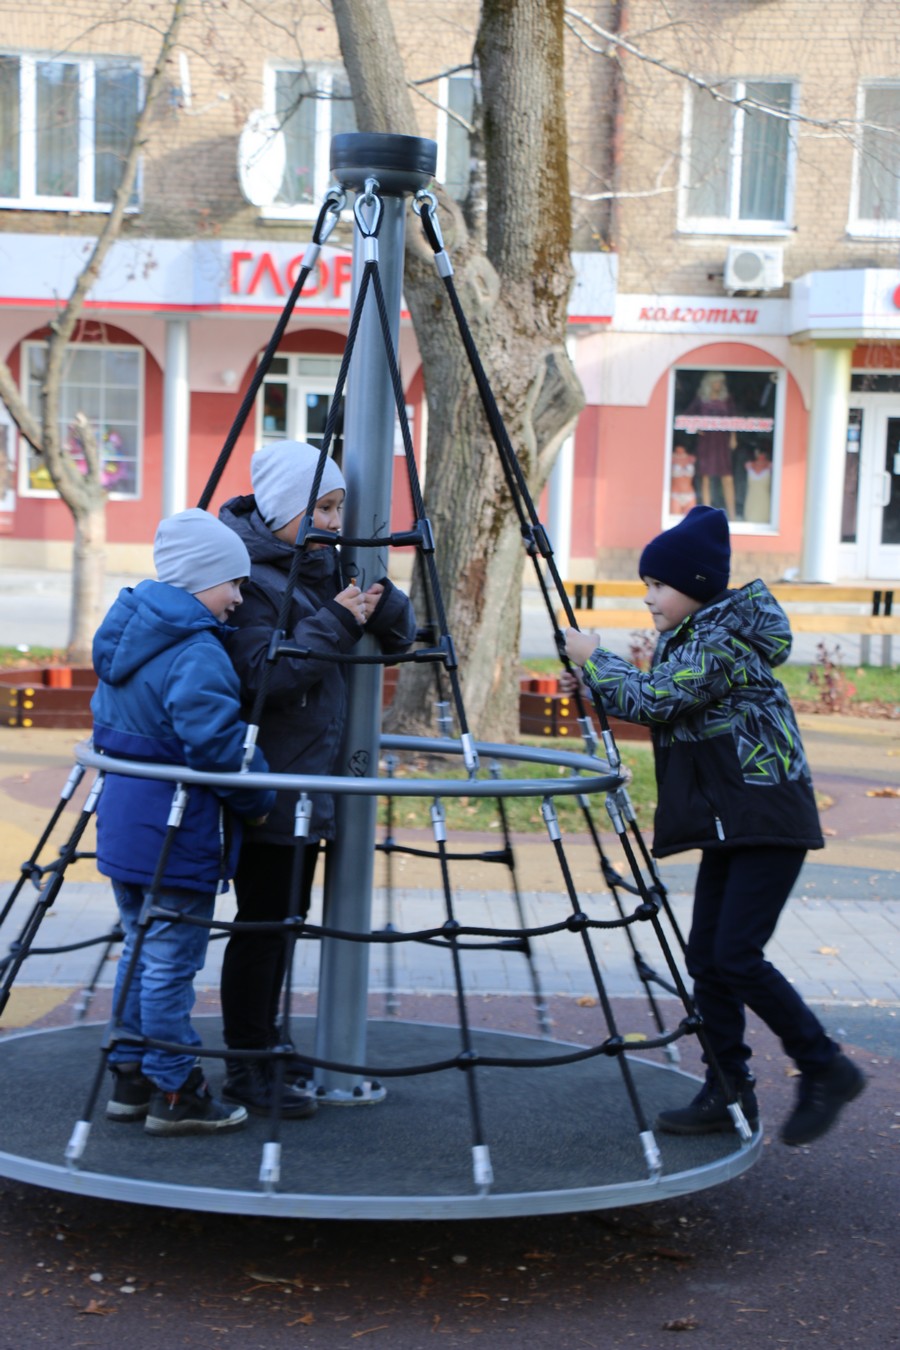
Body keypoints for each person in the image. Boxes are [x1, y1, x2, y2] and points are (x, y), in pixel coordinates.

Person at [564, 505, 866, 1147]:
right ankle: (726, 1086)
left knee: (735, 955)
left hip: (765, 819)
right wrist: (597, 676)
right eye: (646, 585)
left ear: (697, 585)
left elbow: (655, 701)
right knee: (707, 957)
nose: (648, 599)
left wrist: (596, 658)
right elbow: (663, 700)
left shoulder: (720, 643)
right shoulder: (700, 640)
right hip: (736, 821)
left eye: (657, 585)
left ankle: (825, 1065)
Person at [218, 439, 417, 1112]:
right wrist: (337, 620)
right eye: (323, 509)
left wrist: (386, 605)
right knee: (264, 925)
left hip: (317, 782)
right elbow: (263, 675)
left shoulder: (321, 568)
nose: (333, 522)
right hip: (273, 785)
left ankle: (266, 1042)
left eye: (337, 508)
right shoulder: (246, 576)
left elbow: (402, 638)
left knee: (287, 922)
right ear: (281, 509)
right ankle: (247, 1063)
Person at [91, 508, 277, 1136]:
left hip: (123, 819)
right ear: (202, 581)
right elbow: (218, 748)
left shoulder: (125, 636)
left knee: (139, 951)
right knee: (171, 962)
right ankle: (178, 1088)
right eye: (234, 584)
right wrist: (260, 799)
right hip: (177, 829)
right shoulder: (197, 652)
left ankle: (130, 1074)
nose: (238, 598)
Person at [681, 371, 738, 519]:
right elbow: (687, 415)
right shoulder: (701, 399)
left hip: (722, 441)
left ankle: (731, 515)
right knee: (705, 477)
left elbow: (734, 418)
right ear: (709, 383)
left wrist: (733, 437)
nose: (718, 385)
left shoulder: (727, 399)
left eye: (720, 382)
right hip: (706, 441)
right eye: (716, 382)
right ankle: (706, 515)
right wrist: (696, 427)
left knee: (727, 477)